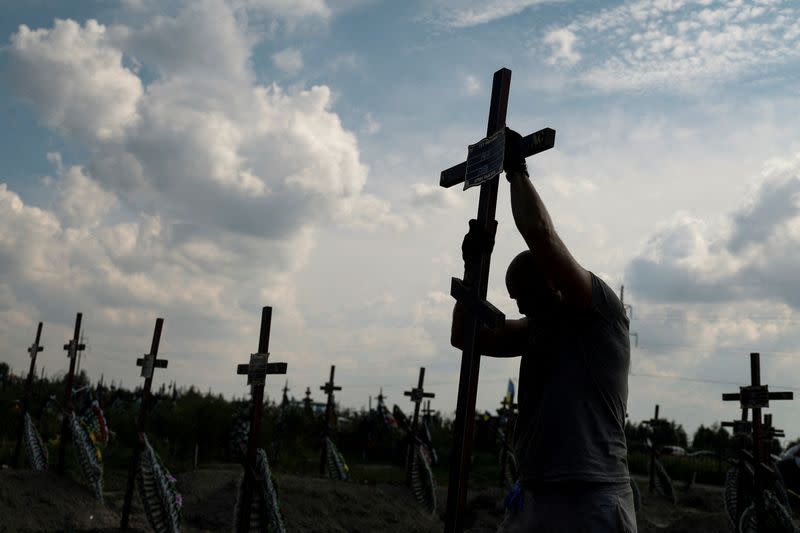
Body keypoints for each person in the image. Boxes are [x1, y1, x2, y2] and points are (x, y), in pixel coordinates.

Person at [450, 127, 637, 532]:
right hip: (533, 497)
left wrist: (516, 168)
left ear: (554, 282)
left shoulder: (599, 315)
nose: (520, 308)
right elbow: (465, 338)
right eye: (515, 299)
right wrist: (473, 266)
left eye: (526, 297)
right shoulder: (536, 329)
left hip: (591, 499)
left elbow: (541, 235)